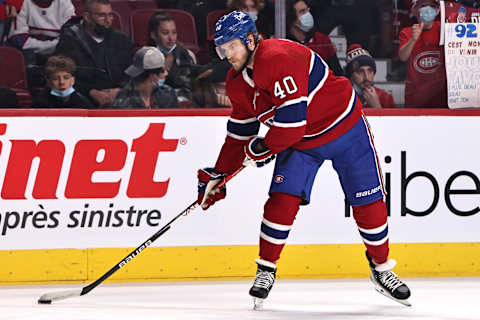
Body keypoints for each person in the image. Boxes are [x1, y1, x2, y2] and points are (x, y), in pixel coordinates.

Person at [197, 11, 411, 309]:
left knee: (368, 201)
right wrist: (219, 174)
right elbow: (239, 136)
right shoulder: (237, 84)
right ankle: (266, 269)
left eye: (231, 46)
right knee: (282, 201)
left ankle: (381, 267)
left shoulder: (277, 57)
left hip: (344, 129)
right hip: (300, 143)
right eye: (222, 49)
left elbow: (291, 126)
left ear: (249, 39)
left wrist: (262, 149)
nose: (227, 55)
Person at [55, 0, 135, 107]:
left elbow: (131, 73)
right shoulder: (70, 40)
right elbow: (61, 76)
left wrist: (120, 90)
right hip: (81, 98)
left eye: (110, 15)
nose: (108, 21)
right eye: (102, 16)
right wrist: (91, 92)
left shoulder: (122, 40)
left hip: (118, 97)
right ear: (87, 17)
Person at [398, 0, 447, 107]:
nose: (428, 9)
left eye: (432, 6)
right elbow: (402, 56)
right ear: (414, 10)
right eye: (423, 5)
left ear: (438, 11)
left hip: (441, 97)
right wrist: (413, 39)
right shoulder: (407, 32)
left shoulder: (444, 29)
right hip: (415, 97)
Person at [147, 11, 201, 105]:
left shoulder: (188, 56)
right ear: (153, 35)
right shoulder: (145, 58)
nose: (171, 38)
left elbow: (195, 88)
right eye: (165, 33)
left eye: (174, 32)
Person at [286, 0, 343, 76]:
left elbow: (337, 72)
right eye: (302, 12)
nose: (308, 14)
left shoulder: (322, 39)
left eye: (308, 10)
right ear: (292, 18)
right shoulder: (286, 43)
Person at [112, 46, 178, 109]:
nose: (166, 74)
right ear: (153, 76)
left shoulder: (168, 95)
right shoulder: (123, 99)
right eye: (162, 71)